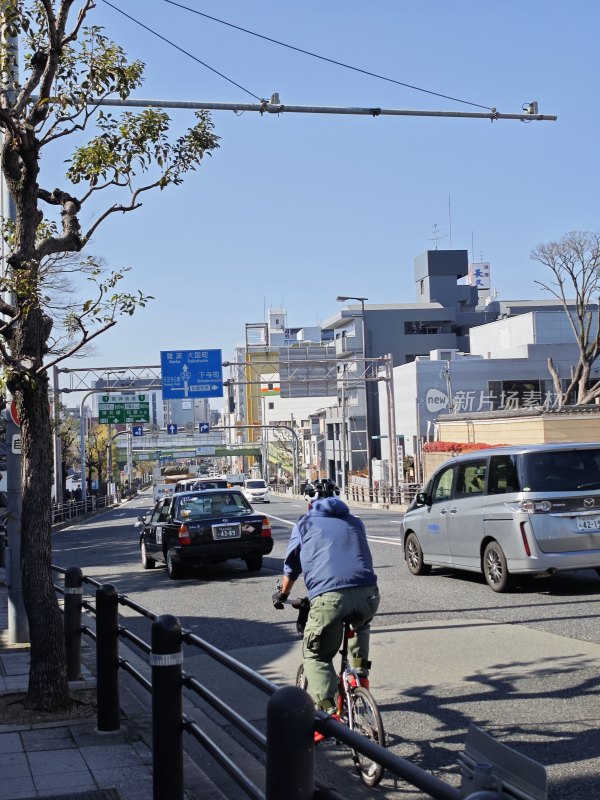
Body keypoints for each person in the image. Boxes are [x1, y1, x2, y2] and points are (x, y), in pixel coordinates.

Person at [272, 495, 379, 738]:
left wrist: (282, 594)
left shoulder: (305, 524)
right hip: (368, 593)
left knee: (316, 655)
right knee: (360, 623)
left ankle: (329, 715)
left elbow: (292, 566)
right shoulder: (355, 521)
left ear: (310, 505)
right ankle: (360, 676)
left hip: (329, 597)